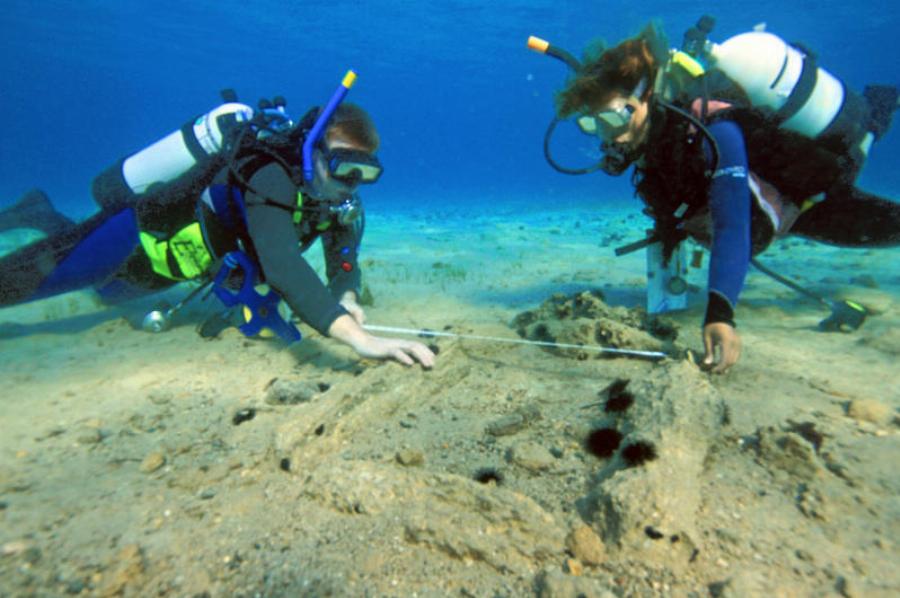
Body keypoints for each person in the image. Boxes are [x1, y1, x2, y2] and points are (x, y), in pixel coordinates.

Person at [544, 20, 900, 373]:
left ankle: (879, 106)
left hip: (809, 197)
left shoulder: (714, 126)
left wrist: (719, 313)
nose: (610, 138)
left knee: (867, 145)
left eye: (612, 119)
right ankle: (879, 105)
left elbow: (732, 223)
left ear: (647, 97)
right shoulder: (655, 138)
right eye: (595, 124)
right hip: (773, 210)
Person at [0, 83, 435, 369]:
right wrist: (356, 336)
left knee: (108, 295)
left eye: (364, 172)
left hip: (179, 268)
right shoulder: (268, 174)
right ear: (312, 151)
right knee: (37, 281)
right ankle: (39, 216)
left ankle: (39, 212)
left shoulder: (335, 198)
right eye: (343, 165)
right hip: (140, 235)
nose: (350, 184)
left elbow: (343, 253)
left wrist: (347, 295)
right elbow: (282, 264)